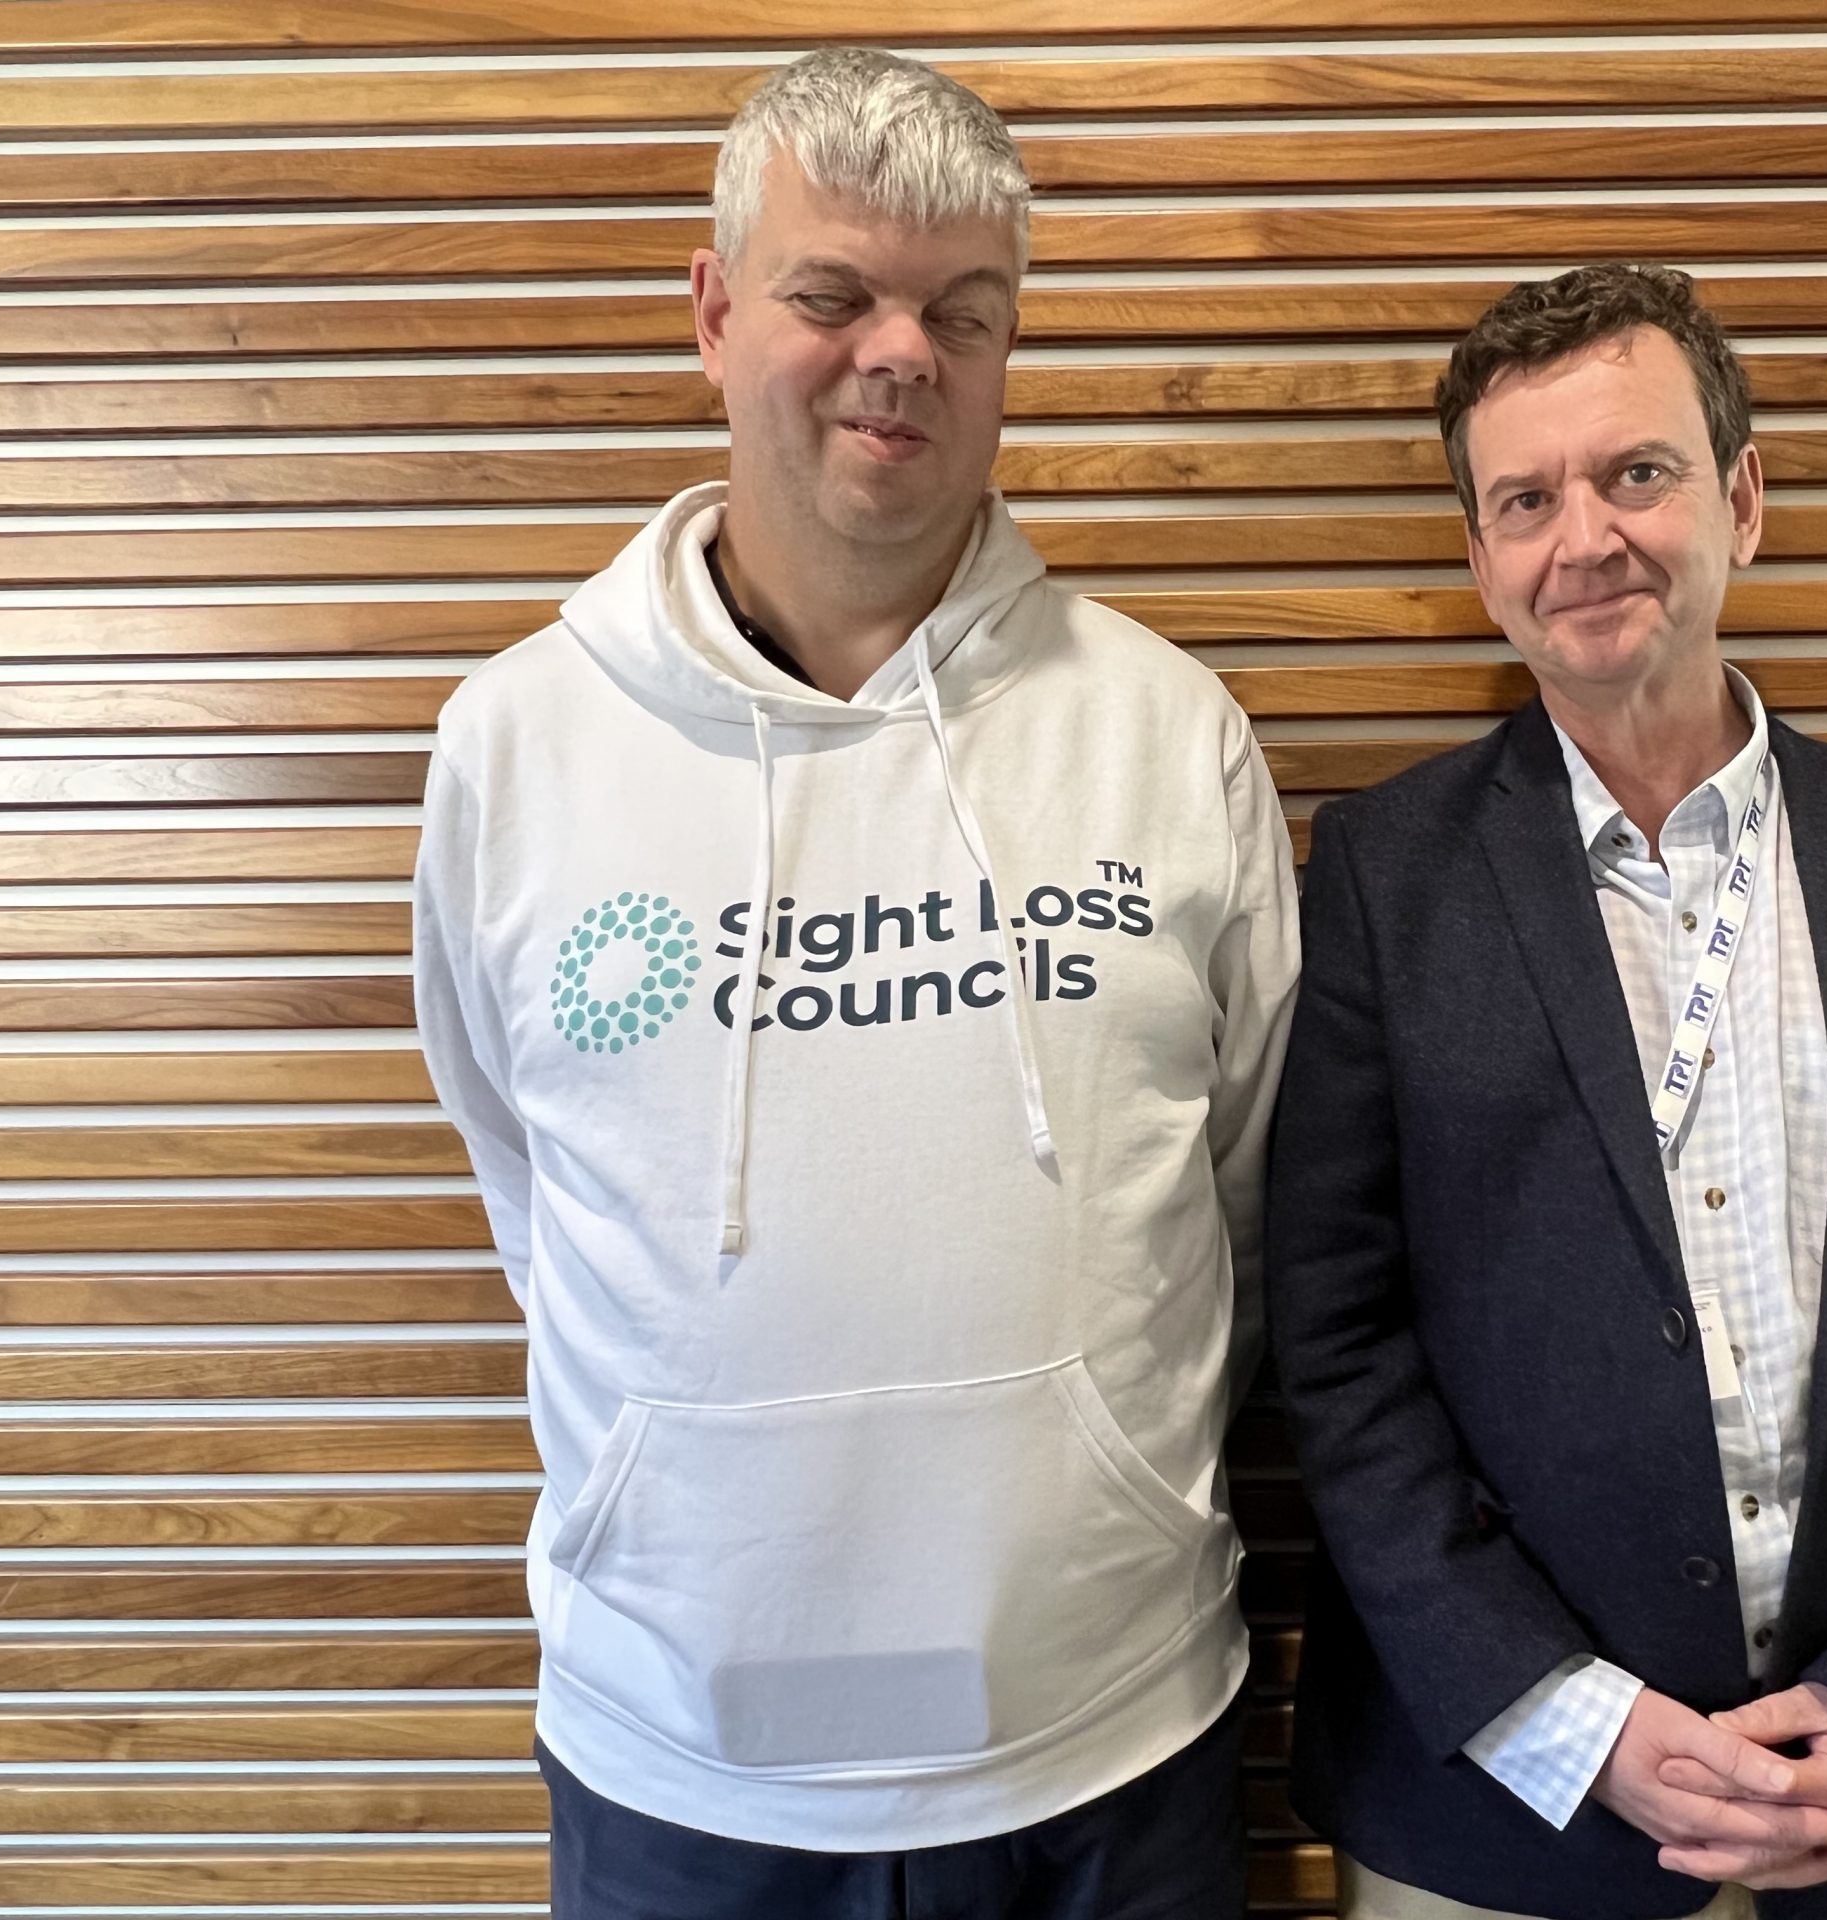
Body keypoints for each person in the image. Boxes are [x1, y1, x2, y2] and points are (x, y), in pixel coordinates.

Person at [412, 47, 1298, 1919]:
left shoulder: (1163, 732)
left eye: (960, 313)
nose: (900, 353)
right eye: (834, 295)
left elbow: (1237, 1194)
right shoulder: (517, 746)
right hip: (680, 1766)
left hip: (1109, 1741)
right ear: (714, 312)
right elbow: (526, 1178)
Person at [1264, 263, 1827, 1920]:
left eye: (1636, 473)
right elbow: (1339, 1345)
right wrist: (1571, 1720)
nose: (1583, 537)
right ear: (1481, 560)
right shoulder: (1383, 883)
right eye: (1526, 500)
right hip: (1505, 1820)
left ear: (1742, 499)